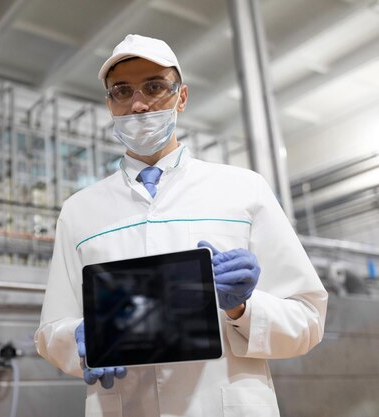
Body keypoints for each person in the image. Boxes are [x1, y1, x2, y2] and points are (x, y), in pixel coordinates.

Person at [34, 34, 328, 417]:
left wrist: (242, 308)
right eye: (122, 92)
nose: (138, 104)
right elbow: (50, 331)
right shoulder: (79, 211)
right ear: (109, 105)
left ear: (182, 97)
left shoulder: (243, 188)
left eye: (154, 87)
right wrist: (77, 341)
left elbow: (307, 321)